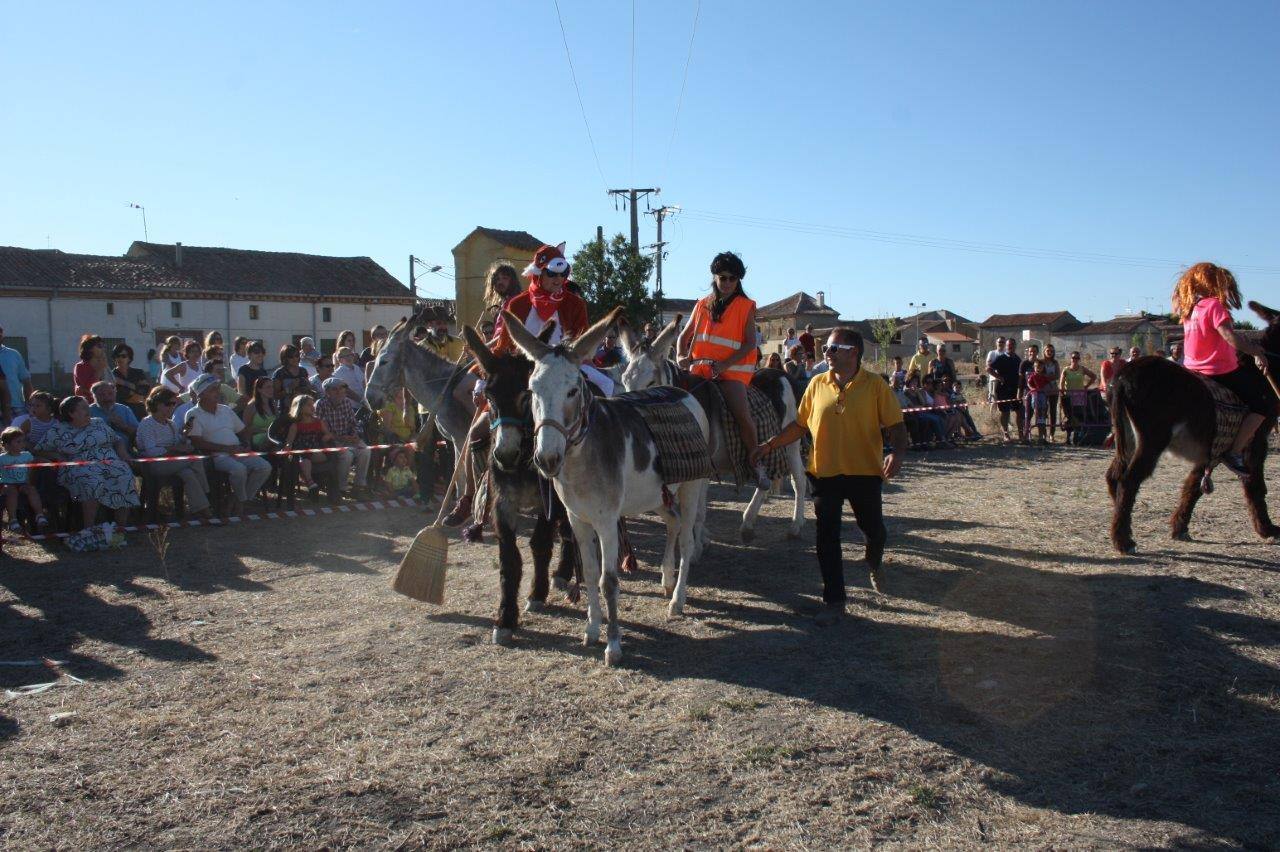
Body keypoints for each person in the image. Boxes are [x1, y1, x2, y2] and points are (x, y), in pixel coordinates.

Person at [750, 328, 907, 619]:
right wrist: (770, 444)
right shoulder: (816, 384)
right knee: (826, 537)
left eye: (833, 349)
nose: (826, 354)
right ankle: (834, 601)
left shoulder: (875, 386)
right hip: (824, 474)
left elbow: (897, 426)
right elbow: (800, 425)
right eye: (825, 349)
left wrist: (897, 453)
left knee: (874, 530)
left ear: (853, 352)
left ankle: (874, 561)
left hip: (864, 473)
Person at [675, 251, 771, 490]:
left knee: (742, 414)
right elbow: (683, 337)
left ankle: (756, 462)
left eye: (732, 278)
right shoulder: (701, 304)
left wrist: (725, 365)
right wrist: (680, 357)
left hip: (731, 373)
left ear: (738, 280)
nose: (727, 282)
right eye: (723, 277)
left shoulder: (746, 306)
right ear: (715, 277)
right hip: (699, 371)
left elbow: (750, 344)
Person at [1173, 262, 1274, 476]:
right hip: (1218, 369)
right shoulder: (1214, 305)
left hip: (1191, 369)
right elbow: (1230, 337)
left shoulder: (1190, 309)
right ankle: (1234, 452)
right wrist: (1256, 352)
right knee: (1262, 406)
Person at [37, 395, 139, 548]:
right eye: (84, 408)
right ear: (72, 413)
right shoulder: (59, 430)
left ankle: (120, 529)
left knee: (125, 476)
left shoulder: (98, 423)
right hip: (80, 466)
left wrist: (123, 453)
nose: (88, 410)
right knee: (92, 480)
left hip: (110, 463)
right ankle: (89, 529)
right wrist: (56, 456)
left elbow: (116, 440)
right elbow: (38, 449)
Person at [184, 374, 272, 516]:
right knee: (239, 470)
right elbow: (197, 441)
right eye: (213, 389)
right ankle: (241, 502)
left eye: (218, 388)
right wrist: (226, 449)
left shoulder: (225, 410)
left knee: (264, 467)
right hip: (217, 456)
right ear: (201, 394)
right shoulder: (193, 414)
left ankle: (237, 499)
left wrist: (246, 443)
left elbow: (242, 431)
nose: (218, 392)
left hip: (237, 450)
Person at [135, 387, 213, 522]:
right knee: (195, 460)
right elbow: (150, 451)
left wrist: (185, 435)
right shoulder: (147, 424)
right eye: (168, 404)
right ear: (157, 404)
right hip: (154, 465)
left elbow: (178, 442)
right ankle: (208, 494)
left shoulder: (171, 424)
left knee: (188, 473)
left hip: (173, 463)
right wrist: (175, 448)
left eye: (174, 404)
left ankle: (203, 511)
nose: (172, 407)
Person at [316, 376, 371, 496]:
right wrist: (340, 438)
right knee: (347, 455)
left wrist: (355, 434)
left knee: (365, 451)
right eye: (335, 389)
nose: (339, 392)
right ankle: (342, 487)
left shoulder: (346, 402)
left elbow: (354, 423)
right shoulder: (320, 404)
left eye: (341, 389)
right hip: (332, 441)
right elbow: (322, 430)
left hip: (348, 437)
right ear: (327, 392)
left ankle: (359, 485)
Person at [0, 427, 49, 532]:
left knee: (32, 490)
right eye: (18, 442)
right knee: (12, 492)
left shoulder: (27, 455)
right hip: (7, 484)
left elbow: (35, 461)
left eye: (23, 441)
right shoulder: (2, 458)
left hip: (22, 483)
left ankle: (39, 515)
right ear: (7, 445)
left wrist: (46, 461)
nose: (22, 444)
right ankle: (13, 519)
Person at [285, 394, 334, 488]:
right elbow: (289, 441)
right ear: (300, 407)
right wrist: (287, 448)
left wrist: (326, 437)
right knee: (304, 455)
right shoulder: (295, 425)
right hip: (301, 451)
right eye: (309, 405)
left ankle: (307, 477)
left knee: (308, 456)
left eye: (313, 404)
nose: (312, 407)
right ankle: (309, 481)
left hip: (316, 449)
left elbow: (328, 434)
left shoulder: (318, 422)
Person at [988, 338, 1023, 442]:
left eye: (1012, 345)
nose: (1010, 347)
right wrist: (999, 377)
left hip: (1015, 389)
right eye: (1008, 345)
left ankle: (1021, 434)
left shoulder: (1017, 359)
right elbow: (988, 368)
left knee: (1019, 412)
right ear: (1006, 346)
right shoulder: (1001, 358)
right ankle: (1006, 434)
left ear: (1015, 346)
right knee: (1005, 412)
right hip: (1003, 389)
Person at [1058, 351, 1097, 440]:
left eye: (1077, 358)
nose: (1075, 359)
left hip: (1079, 396)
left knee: (1079, 415)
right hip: (1068, 397)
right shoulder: (1066, 370)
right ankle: (1068, 437)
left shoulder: (1082, 369)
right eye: (1073, 358)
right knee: (1069, 416)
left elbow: (1093, 376)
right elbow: (1061, 383)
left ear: (1079, 359)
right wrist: (1062, 393)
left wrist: (1086, 386)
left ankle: (1078, 436)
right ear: (1070, 358)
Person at [476, 262, 525, 331]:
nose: (500, 282)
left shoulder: (520, 302)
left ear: (513, 281)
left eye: (505, 278)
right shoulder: (503, 305)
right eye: (497, 279)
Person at [0, 326, 34, 424]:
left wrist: (30, 406)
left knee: (20, 432)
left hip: (17, 405)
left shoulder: (13, 354)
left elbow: (26, 381)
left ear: (2, 335)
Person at [110, 344, 151, 420]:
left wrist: (125, 384)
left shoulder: (138, 372)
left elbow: (145, 391)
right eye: (117, 356)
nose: (120, 358)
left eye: (123, 356)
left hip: (141, 412)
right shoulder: (112, 376)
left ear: (129, 358)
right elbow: (121, 395)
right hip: (122, 413)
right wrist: (136, 389)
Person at [240, 377, 279, 451]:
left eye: (272, 387)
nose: (271, 390)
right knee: (272, 440)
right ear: (259, 389)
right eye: (268, 387)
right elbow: (245, 429)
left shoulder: (273, 405)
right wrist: (265, 431)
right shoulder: (251, 406)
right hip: (258, 438)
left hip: (273, 436)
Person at [273, 344, 312, 412]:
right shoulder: (279, 373)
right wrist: (289, 388)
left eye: (297, 356)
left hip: (302, 409)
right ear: (285, 358)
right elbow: (275, 396)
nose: (295, 359)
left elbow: (309, 389)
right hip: (286, 410)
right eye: (291, 357)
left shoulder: (303, 371)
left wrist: (307, 388)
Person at [1023, 359, 1051, 442]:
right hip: (1035, 393)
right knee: (1035, 401)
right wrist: (1032, 389)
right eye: (1037, 367)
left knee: (1043, 405)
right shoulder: (1032, 376)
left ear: (1043, 368)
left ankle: (1042, 410)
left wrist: (1049, 388)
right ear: (1034, 367)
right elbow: (1029, 383)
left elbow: (1048, 383)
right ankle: (1036, 409)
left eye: (1040, 367)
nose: (1038, 369)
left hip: (1042, 393)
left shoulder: (1043, 376)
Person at [1040, 344, 1063, 442]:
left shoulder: (1055, 362)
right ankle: (1043, 433)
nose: (1050, 352)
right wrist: (1049, 376)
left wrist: (1047, 377)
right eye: (1048, 351)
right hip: (1043, 390)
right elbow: (1039, 374)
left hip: (1053, 390)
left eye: (1052, 351)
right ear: (1044, 351)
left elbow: (1057, 375)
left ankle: (1052, 434)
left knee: (1053, 412)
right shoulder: (1040, 362)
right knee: (1043, 411)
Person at [74, 334, 107, 400]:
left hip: (105, 402)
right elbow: (89, 388)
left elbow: (111, 383)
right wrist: (99, 370)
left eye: (104, 346)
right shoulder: (81, 366)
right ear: (89, 349)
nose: (103, 349)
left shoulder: (102, 364)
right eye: (99, 346)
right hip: (89, 403)